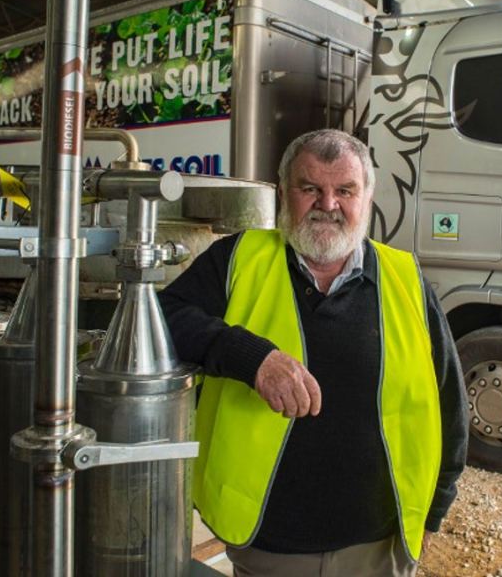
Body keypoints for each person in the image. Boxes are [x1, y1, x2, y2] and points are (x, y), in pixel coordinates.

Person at [160, 129, 467, 576]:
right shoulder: (239, 259)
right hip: (268, 541)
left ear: (367, 197)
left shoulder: (406, 279)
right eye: (310, 189)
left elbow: (448, 402)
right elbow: (160, 316)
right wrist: (250, 357)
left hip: (379, 543)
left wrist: (436, 507)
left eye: (345, 190)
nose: (328, 204)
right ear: (284, 193)